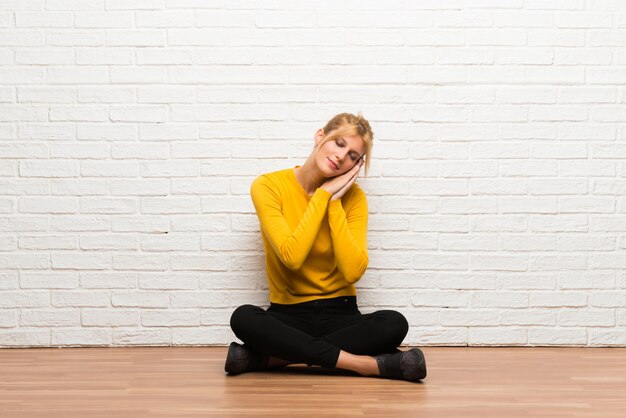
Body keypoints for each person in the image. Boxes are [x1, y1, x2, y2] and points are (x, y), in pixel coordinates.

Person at [225, 112, 427, 382]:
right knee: (243, 318)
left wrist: (333, 203)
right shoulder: (268, 186)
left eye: (354, 156)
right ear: (320, 136)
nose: (343, 156)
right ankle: (366, 365)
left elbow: (352, 272)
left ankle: (273, 357)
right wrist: (322, 195)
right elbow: (291, 257)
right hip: (288, 314)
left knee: (394, 323)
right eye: (339, 143)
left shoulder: (354, 198)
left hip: (341, 313)